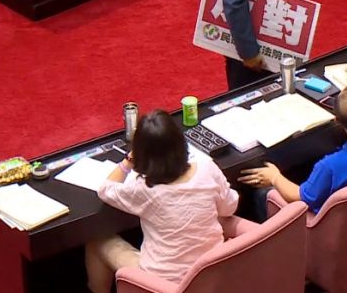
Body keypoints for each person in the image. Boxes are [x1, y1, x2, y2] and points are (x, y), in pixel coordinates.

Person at [85, 111, 239, 293]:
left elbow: (105, 190)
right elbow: (229, 208)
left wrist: (128, 160)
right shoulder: (207, 167)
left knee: (96, 240)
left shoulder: (144, 189)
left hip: (162, 284)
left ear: (142, 155)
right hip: (212, 273)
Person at [239, 85, 347, 216]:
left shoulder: (329, 167)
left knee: (262, 194)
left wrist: (274, 177)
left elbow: (300, 197)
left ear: (337, 120)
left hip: (335, 232)